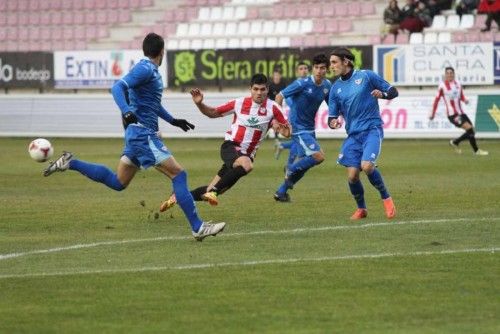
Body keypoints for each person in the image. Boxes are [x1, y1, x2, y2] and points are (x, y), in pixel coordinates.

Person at [43, 33, 225, 241]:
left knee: (119, 182)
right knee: (179, 175)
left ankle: (70, 163)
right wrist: (126, 110)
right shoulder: (145, 68)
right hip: (142, 134)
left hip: (137, 135)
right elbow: (117, 87)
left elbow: (152, 104)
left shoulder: (152, 72)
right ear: (162, 51)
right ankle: (198, 227)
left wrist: (173, 120)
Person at [159, 73, 290, 211]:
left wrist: (284, 130)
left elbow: (287, 132)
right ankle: (213, 192)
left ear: (267, 89)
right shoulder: (239, 103)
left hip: (246, 155)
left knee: (209, 191)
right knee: (246, 166)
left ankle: (178, 197)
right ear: (250, 88)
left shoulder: (274, 108)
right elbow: (213, 112)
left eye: (262, 89)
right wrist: (200, 103)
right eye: (255, 89)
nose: (259, 93)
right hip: (231, 146)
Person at [328, 47, 397, 220]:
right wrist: (333, 122)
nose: (332, 66)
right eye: (330, 63)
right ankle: (362, 209)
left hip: (372, 130)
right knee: (352, 176)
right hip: (353, 135)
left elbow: (393, 91)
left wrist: (382, 94)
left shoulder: (366, 76)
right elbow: (331, 116)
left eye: (334, 62)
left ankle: (386, 198)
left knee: (366, 166)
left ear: (346, 61)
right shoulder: (335, 89)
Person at [273, 54, 331, 202]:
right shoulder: (302, 84)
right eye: (316, 67)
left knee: (305, 163)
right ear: (313, 69)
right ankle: (290, 168)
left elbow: (332, 105)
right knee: (318, 156)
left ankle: (281, 192)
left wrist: (337, 117)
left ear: (327, 70)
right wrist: (282, 121)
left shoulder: (327, 86)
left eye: (322, 68)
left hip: (310, 128)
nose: (319, 71)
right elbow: (279, 97)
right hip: (297, 127)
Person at [430, 67, 489, 156]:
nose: (449, 75)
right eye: (448, 73)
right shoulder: (442, 86)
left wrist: (464, 100)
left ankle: (455, 142)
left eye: (451, 73)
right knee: (469, 128)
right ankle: (476, 151)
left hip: (461, 112)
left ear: (454, 74)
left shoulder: (458, 83)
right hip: (452, 114)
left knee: (472, 131)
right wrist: (433, 114)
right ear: (445, 75)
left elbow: (461, 96)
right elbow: (436, 100)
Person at [274, 61, 310, 162]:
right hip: (295, 118)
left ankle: (283, 147)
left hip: (306, 119)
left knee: (300, 142)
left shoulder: (311, 84)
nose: (303, 71)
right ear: (297, 72)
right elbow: (286, 98)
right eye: (301, 69)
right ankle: (290, 166)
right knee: (298, 141)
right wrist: (297, 106)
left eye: (305, 68)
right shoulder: (296, 84)